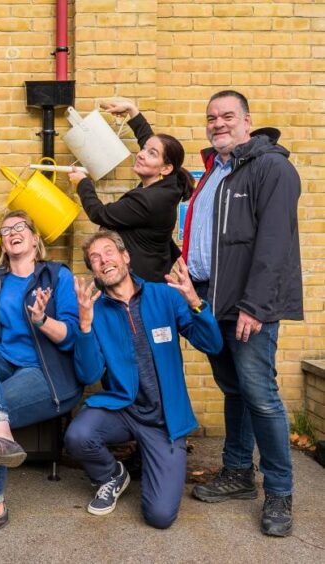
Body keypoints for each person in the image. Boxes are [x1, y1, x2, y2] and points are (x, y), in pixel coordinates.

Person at [183, 91, 303, 537]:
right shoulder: (217, 170)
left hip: (246, 303)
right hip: (212, 299)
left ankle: (279, 492)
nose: (218, 123)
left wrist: (254, 304)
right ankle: (237, 474)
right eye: (211, 117)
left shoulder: (271, 167)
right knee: (234, 389)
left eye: (227, 116)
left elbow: (275, 244)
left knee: (260, 395)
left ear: (247, 121)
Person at [66, 231, 222, 528]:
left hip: (164, 421)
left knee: (160, 516)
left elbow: (212, 344)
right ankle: (112, 475)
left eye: (109, 252)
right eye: (95, 258)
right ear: (93, 271)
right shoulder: (93, 311)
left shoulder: (164, 296)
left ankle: (155, 459)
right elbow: (87, 374)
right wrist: (85, 326)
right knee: (78, 435)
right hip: (122, 410)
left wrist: (194, 301)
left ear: (125, 257)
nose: (103, 260)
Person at [0, 210, 83, 542]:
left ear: (35, 237)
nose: (12, 232)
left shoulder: (57, 276)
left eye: (20, 226)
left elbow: (70, 336)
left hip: (47, 373)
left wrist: (41, 320)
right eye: (6, 230)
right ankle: (4, 439)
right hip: (5, 361)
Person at [68, 98, 194, 282]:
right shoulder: (169, 182)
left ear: (165, 168)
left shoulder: (150, 200)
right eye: (144, 149)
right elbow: (151, 141)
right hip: (150, 274)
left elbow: (100, 213)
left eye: (152, 154)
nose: (141, 154)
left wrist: (82, 183)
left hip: (140, 283)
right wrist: (132, 111)